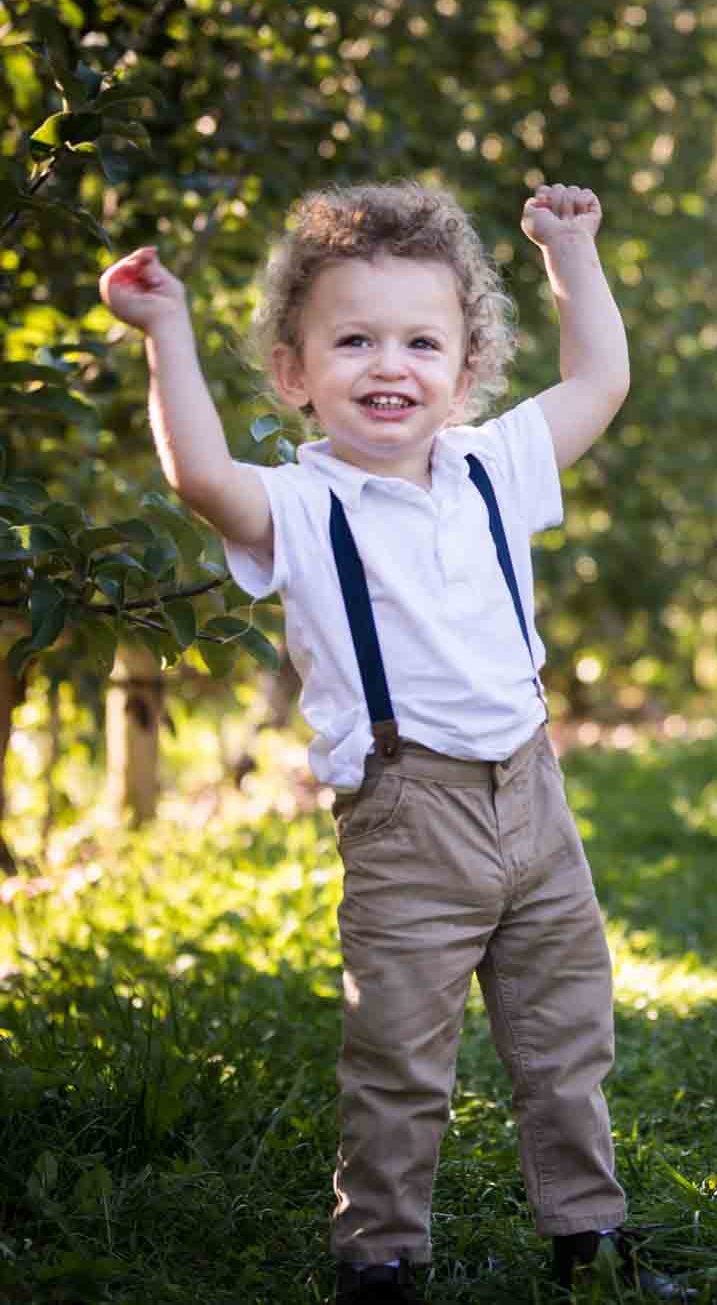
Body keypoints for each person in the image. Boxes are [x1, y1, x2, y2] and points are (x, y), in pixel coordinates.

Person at [99, 181, 677, 1300]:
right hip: (408, 817)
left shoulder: (491, 467)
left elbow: (600, 379)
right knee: (400, 1060)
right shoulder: (301, 506)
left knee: (566, 1035)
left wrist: (570, 254)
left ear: (464, 373)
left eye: (421, 341)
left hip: (533, 795)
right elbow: (200, 478)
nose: (387, 365)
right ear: (293, 371)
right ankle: (381, 1256)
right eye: (352, 339)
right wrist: (165, 330)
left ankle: (586, 1237)